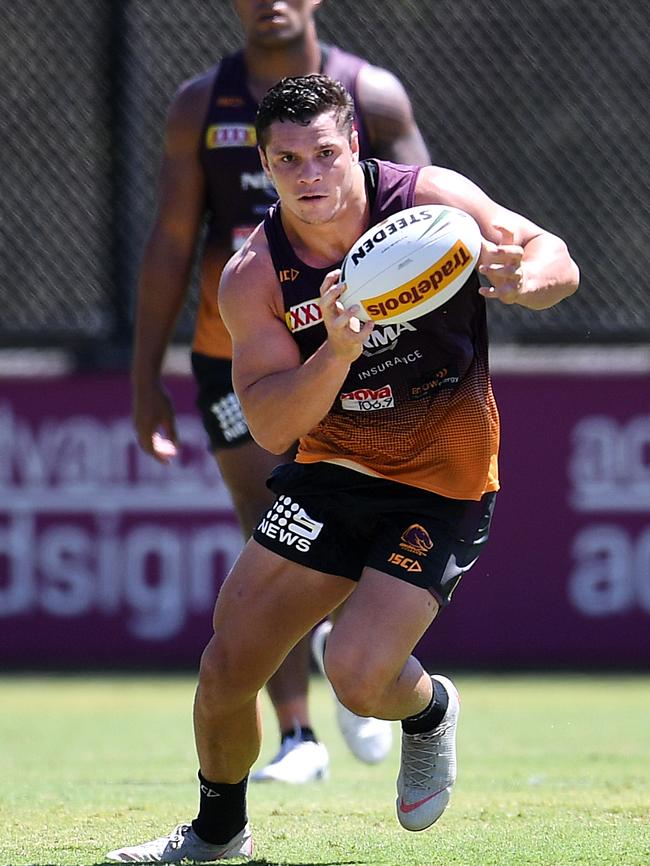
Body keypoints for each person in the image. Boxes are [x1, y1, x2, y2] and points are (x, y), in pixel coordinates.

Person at [107, 75, 579, 862]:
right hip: (332, 471)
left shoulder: (430, 201)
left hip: (445, 478)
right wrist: (338, 348)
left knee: (360, 679)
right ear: (265, 164)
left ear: (354, 144)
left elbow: (552, 254)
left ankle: (426, 711)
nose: (311, 175)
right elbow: (270, 422)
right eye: (288, 160)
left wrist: (532, 281)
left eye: (325, 153)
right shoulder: (253, 273)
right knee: (227, 664)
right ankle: (219, 835)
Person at [131, 0, 431, 783]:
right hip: (233, 347)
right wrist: (143, 378)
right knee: (273, 523)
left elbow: (428, 231)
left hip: (368, 352)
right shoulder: (201, 103)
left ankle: (354, 645)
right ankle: (298, 736)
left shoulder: (375, 93)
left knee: (337, 524)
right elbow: (170, 240)